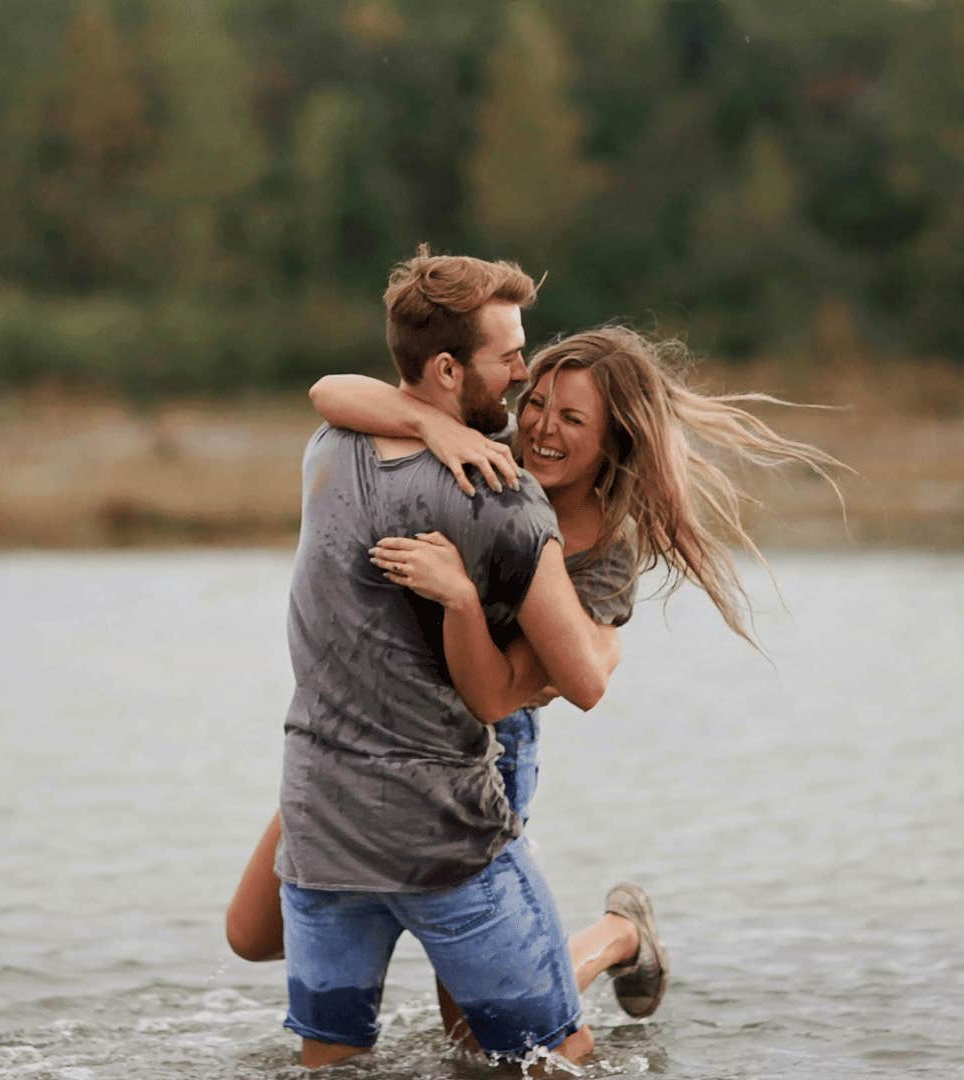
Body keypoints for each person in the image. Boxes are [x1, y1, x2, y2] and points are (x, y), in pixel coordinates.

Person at [229, 258, 846, 1066]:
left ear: (611, 441)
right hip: (368, 736)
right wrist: (433, 425)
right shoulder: (487, 446)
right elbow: (332, 392)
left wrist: (570, 636)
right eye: (537, 404)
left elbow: (532, 687)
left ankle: (618, 936)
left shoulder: (597, 551)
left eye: (571, 422)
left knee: (482, 1039)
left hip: (486, 739)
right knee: (251, 932)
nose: (541, 428)